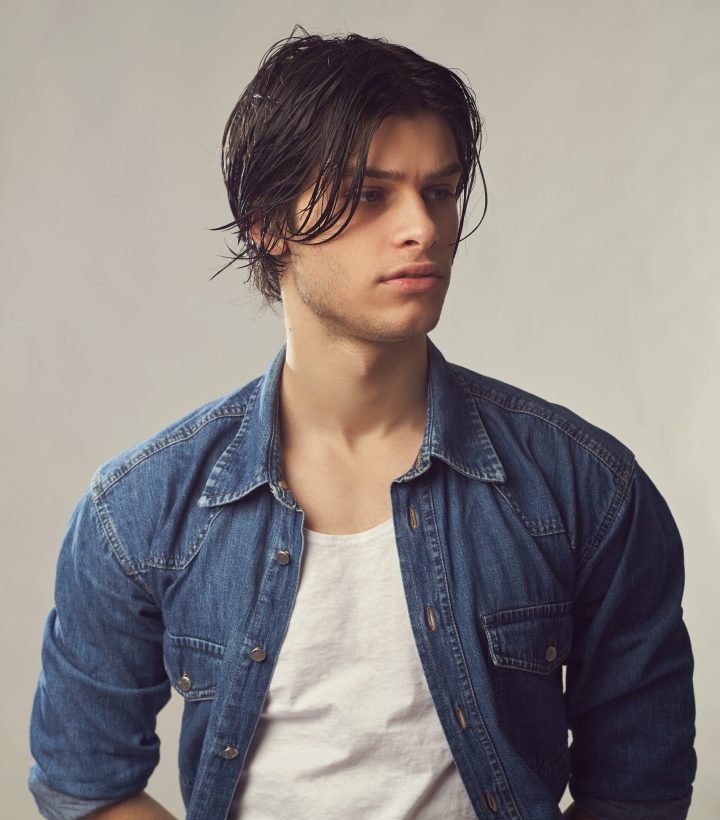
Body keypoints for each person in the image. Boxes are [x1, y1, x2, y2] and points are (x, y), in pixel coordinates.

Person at [29, 30, 696, 820]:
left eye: (439, 192)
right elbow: (83, 779)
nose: (421, 227)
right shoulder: (138, 510)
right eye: (371, 194)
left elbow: (639, 789)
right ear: (267, 223)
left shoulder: (585, 487)